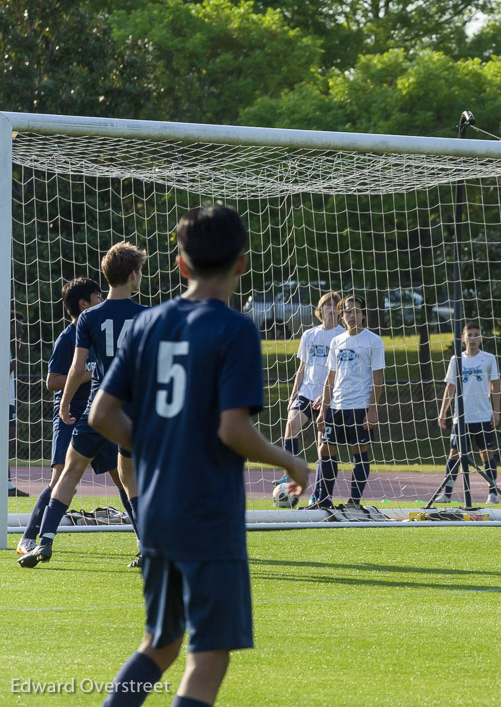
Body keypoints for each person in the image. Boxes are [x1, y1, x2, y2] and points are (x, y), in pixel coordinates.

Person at [88, 205, 308, 707]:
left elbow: (102, 414)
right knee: (208, 656)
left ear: (181, 264)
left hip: (157, 509)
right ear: (242, 264)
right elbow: (233, 430)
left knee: (160, 643)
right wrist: (289, 461)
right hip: (207, 512)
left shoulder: (149, 324)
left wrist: (157, 445)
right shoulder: (235, 330)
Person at [20, 242, 148, 568]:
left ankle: (44, 542)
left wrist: (64, 405)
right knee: (130, 477)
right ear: (133, 275)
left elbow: (77, 370)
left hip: (95, 409)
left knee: (70, 472)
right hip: (129, 411)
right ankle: (146, 546)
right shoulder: (147, 316)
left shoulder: (88, 317)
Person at [310, 294, 384, 509]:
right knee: (325, 450)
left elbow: (378, 380)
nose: (352, 315)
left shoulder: (373, 341)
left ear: (363, 315)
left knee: (358, 451)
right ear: (342, 315)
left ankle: (353, 502)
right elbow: (330, 378)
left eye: (357, 311)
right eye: (348, 311)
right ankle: (324, 500)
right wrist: (324, 409)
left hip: (359, 407)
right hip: (337, 406)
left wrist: (372, 410)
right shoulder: (337, 340)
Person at [276, 291, 343, 486]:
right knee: (291, 424)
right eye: (327, 305)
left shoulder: (342, 336)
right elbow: (302, 368)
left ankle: (321, 490)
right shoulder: (309, 334)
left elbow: (341, 373)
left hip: (329, 398)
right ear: (320, 310)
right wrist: (292, 396)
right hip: (306, 393)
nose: (330, 309)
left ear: (339, 311)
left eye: (334, 305)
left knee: (324, 446)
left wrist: (326, 395)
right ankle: (290, 473)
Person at [436, 320, 501, 504]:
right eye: (469, 335)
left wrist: (496, 412)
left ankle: (493, 493)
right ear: (463, 337)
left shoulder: (488, 358)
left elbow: (495, 386)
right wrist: (443, 413)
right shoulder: (456, 359)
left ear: (480, 338)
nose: (472, 338)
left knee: (486, 453)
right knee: (454, 454)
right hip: (461, 418)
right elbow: (450, 388)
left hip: (483, 415)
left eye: (476, 335)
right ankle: (447, 494)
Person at [9, 310, 28, 497]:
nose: (21, 331)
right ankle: (6, 484)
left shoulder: (8, 345)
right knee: (11, 438)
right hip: (3, 401)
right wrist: (21, 355)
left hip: (8, 400)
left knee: (12, 440)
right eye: (19, 326)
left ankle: (6, 483)